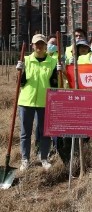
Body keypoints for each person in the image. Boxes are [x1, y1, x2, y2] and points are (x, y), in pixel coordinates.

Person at [16, 34, 59, 171]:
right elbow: (20, 83)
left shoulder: (52, 62)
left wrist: (60, 72)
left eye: (42, 43)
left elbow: (55, 84)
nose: (39, 46)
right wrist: (19, 71)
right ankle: (25, 159)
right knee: (25, 133)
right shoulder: (26, 60)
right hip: (26, 101)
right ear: (32, 46)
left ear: (46, 45)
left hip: (45, 102)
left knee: (45, 132)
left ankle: (44, 158)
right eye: (37, 44)